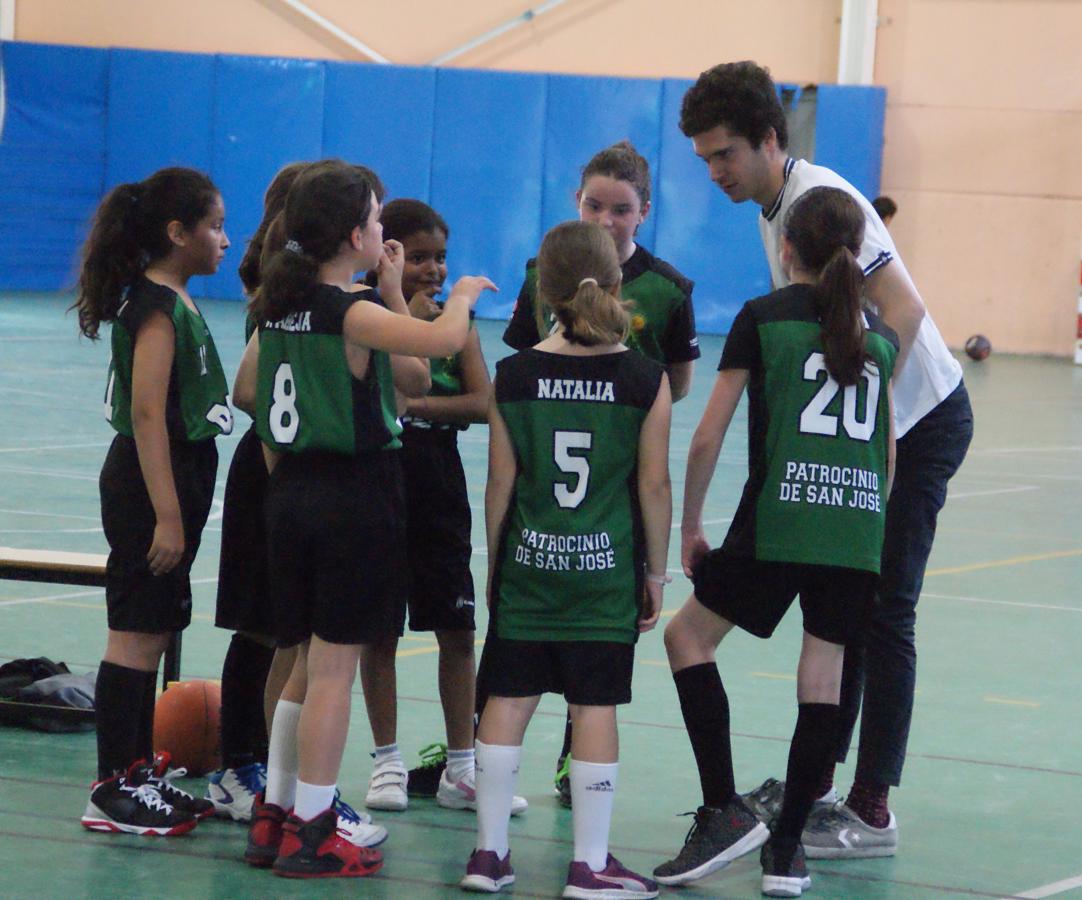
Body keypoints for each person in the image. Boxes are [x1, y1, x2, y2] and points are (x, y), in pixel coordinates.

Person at [679, 60, 974, 859]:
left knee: (882, 612)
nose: (715, 172)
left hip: (917, 424)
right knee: (841, 612)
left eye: (725, 154)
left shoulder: (820, 200)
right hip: (870, 428)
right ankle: (814, 786)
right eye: (704, 159)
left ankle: (871, 807)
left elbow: (903, 310)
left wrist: (857, 417)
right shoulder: (775, 208)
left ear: (770, 140)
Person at [235, 160, 495, 878]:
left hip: (289, 494)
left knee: (302, 662)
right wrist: (460, 297)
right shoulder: (347, 310)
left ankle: (276, 812)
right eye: (378, 220)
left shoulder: (277, 307)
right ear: (355, 235)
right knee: (331, 672)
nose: (384, 232)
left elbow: (251, 388)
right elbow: (442, 346)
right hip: (351, 495)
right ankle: (315, 828)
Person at [654, 187, 897, 896]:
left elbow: (708, 435)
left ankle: (723, 811)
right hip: (855, 530)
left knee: (686, 639)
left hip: (779, 519)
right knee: (822, 679)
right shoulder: (881, 335)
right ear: (857, 252)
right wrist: (861, 523)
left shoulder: (763, 318)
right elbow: (887, 452)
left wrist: (692, 526)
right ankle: (787, 852)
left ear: (786, 247)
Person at [461, 221, 671, 897]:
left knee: (507, 699)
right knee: (595, 705)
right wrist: (655, 573)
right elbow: (654, 486)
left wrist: (497, 567)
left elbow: (500, 483)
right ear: (616, 281)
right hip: (603, 576)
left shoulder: (514, 375)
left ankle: (489, 855)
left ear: (542, 293)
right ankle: (590, 862)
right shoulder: (645, 379)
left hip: (529, 568)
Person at [502, 140, 698, 803]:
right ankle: (491, 759)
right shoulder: (544, 271)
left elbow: (678, 383)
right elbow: (521, 361)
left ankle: (569, 757)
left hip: (617, 477)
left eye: (621, 209)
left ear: (644, 212)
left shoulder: (667, 289)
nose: (606, 220)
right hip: (546, 472)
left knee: (597, 631)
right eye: (594, 206)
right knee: (529, 626)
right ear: (576, 202)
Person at [205, 161, 387, 849]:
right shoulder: (310, 300)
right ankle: (255, 774)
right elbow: (248, 390)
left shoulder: (305, 295)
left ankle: (280, 792)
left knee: (293, 640)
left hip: (291, 471)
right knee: (275, 632)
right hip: (293, 467)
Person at [73, 167, 233, 835]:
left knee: (157, 628)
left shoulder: (177, 299)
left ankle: (138, 773)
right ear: (177, 233)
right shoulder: (155, 309)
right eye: (215, 226)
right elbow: (146, 414)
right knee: (135, 636)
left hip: (178, 477)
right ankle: (111, 788)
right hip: (148, 486)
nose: (226, 239)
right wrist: (167, 514)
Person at [356, 199, 526, 817]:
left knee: (457, 628)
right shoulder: (365, 314)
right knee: (378, 629)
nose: (433, 269)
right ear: (387, 255)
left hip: (438, 483)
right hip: (380, 479)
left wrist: (419, 408)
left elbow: (483, 402)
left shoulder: (456, 324)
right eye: (419, 257)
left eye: (440, 258)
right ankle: (387, 762)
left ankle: (461, 766)